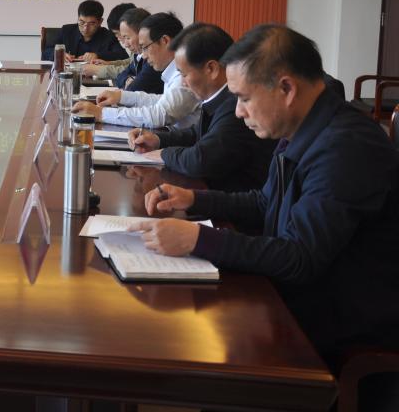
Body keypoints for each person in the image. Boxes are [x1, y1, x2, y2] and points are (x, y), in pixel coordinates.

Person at [130, 26, 399, 400]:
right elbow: (264, 202)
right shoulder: (304, 128)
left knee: (192, 342)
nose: (238, 111)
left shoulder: (346, 148)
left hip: (339, 321)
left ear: (286, 89)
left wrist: (200, 239)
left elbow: (301, 257)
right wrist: (194, 200)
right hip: (299, 297)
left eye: (243, 98)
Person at [126, 22, 276, 192]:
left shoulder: (235, 105)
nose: (183, 83)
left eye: (184, 74)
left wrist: (163, 154)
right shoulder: (219, 99)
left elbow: (199, 160)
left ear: (211, 68)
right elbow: (197, 134)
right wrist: (158, 139)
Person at [73, 12, 200, 129]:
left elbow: (159, 116)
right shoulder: (174, 71)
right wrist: (121, 96)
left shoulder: (184, 76)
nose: (143, 56)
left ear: (165, 41)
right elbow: (160, 101)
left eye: (145, 47)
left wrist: (101, 113)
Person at [84, 7, 164, 94]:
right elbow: (120, 76)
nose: (125, 44)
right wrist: (127, 79)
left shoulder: (152, 58)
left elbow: (133, 89)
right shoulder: (138, 55)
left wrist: (130, 81)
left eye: (127, 38)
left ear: (141, 33)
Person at [43, 0, 127, 63]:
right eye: (82, 22)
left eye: (91, 23)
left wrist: (98, 55)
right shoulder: (67, 31)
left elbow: (123, 56)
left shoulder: (108, 36)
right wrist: (59, 55)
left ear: (100, 22)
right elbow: (46, 52)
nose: (85, 28)